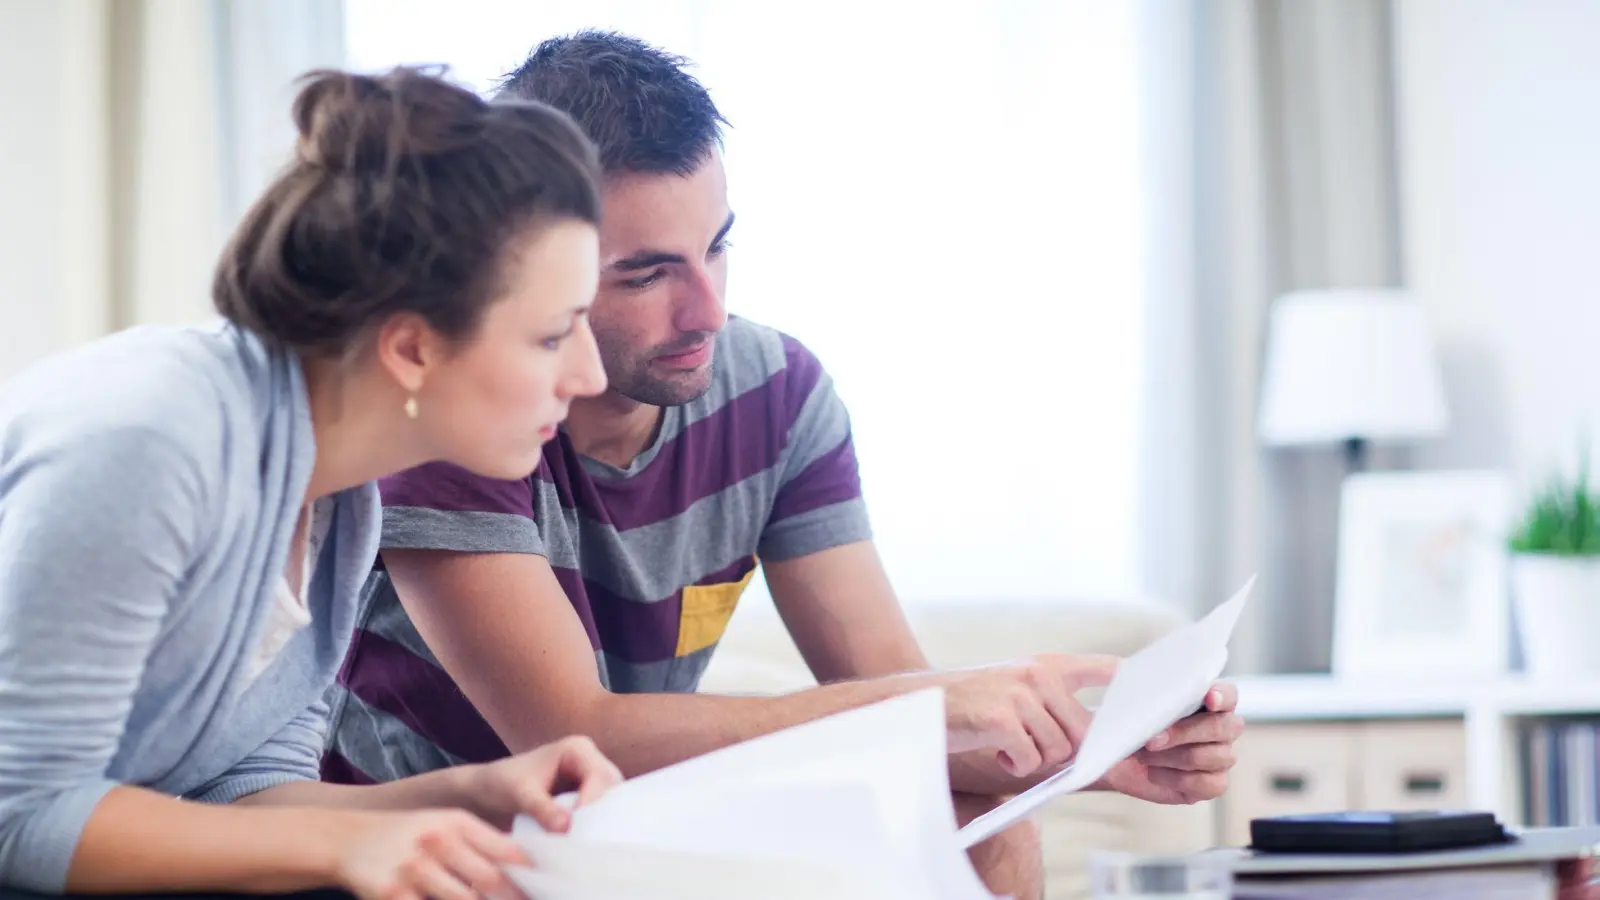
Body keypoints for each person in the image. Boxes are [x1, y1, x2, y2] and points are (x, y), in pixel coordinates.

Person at [322, 32, 1240, 900]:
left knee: (989, 817)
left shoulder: (776, 391)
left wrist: (1085, 753)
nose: (708, 311)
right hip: (458, 840)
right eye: (645, 274)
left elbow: (890, 695)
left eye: (717, 246)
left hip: (633, 822)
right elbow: (576, 732)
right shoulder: (466, 405)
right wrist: (935, 706)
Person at [0, 66, 625, 899]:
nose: (588, 374)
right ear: (410, 349)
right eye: (554, 336)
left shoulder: (340, 503)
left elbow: (240, 795)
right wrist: (339, 852)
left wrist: (466, 796)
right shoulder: (147, 442)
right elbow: (23, 814)